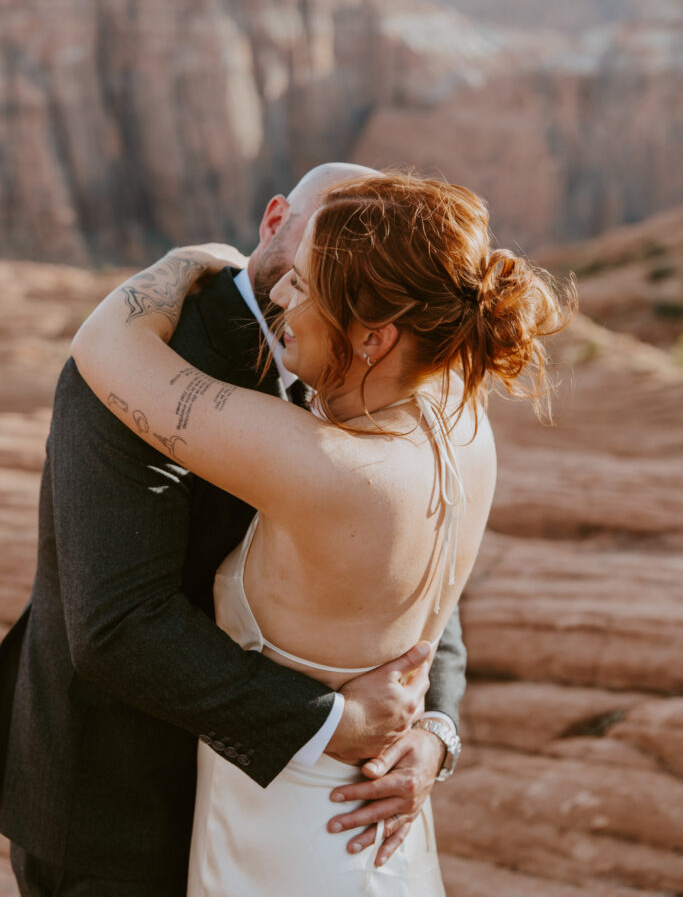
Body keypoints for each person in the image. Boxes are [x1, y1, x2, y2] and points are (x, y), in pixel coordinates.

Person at [70, 171, 572, 894]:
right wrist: (436, 731)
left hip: (290, 844)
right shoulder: (461, 414)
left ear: (374, 335)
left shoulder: (325, 466)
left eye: (302, 287)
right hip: (380, 832)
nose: (276, 293)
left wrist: (194, 258)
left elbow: (105, 342)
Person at [0, 164, 467, 897]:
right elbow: (118, 625)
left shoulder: (383, 376)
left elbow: (420, 566)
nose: (297, 290)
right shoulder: (146, 363)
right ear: (276, 220)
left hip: (311, 809)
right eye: (320, 246)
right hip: (122, 807)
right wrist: (329, 724)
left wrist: (431, 731)